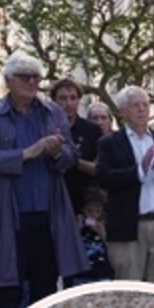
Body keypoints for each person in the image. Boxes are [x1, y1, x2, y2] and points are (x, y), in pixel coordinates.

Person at [0, 53, 88, 308]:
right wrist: (26, 153)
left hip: (48, 213)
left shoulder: (52, 112)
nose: (32, 82)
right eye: (25, 77)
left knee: (45, 286)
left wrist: (58, 152)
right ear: (9, 81)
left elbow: (71, 155)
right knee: (7, 288)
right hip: (9, 215)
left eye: (36, 77)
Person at [95, 86, 154, 284]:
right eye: (135, 105)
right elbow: (103, 178)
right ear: (123, 111)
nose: (142, 109)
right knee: (130, 291)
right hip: (129, 227)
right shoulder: (110, 143)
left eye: (145, 104)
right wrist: (139, 171)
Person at [50, 78, 104, 217]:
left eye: (73, 98)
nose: (68, 103)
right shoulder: (45, 129)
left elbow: (99, 169)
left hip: (85, 204)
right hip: (53, 201)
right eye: (63, 98)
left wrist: (69, 158)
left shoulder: (92, 130)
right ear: (53, 101)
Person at [76, 187, 113, 283]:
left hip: (102, 272)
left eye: (97, 211)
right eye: (89, 211)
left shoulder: (105, 226)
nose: (93, 215)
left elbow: (111, 249)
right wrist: (78, 229)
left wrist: (102, 234)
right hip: (82, 273)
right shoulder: (79, 226)